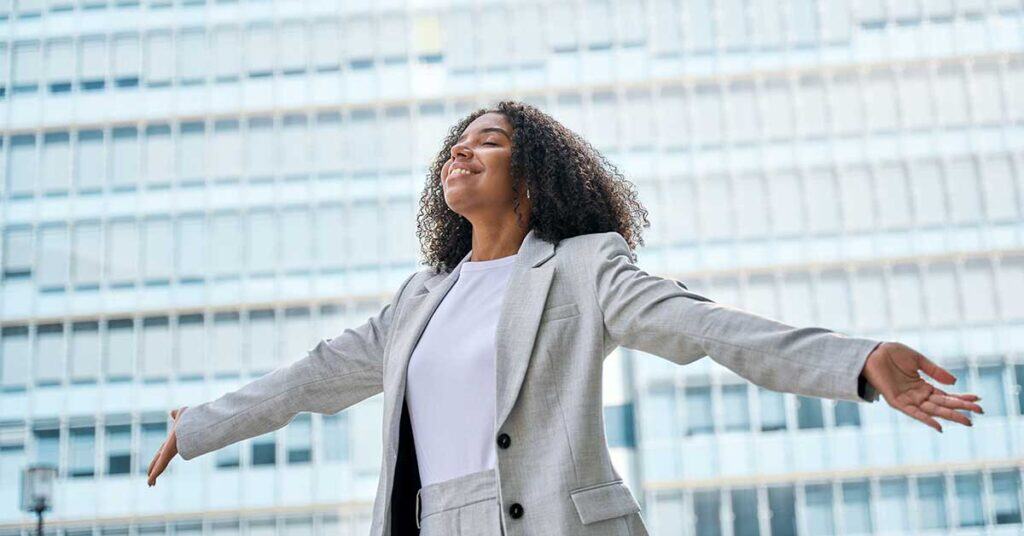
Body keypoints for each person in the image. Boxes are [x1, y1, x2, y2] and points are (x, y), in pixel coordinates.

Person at [147, 101, 983, 535]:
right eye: (453, 146)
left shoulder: (583, 267)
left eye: (489, 142)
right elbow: (312, 378)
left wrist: (857, 360)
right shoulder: (419, 299)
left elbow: (703, 326)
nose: (460, 153)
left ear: (534, 175)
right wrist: (199, 428)